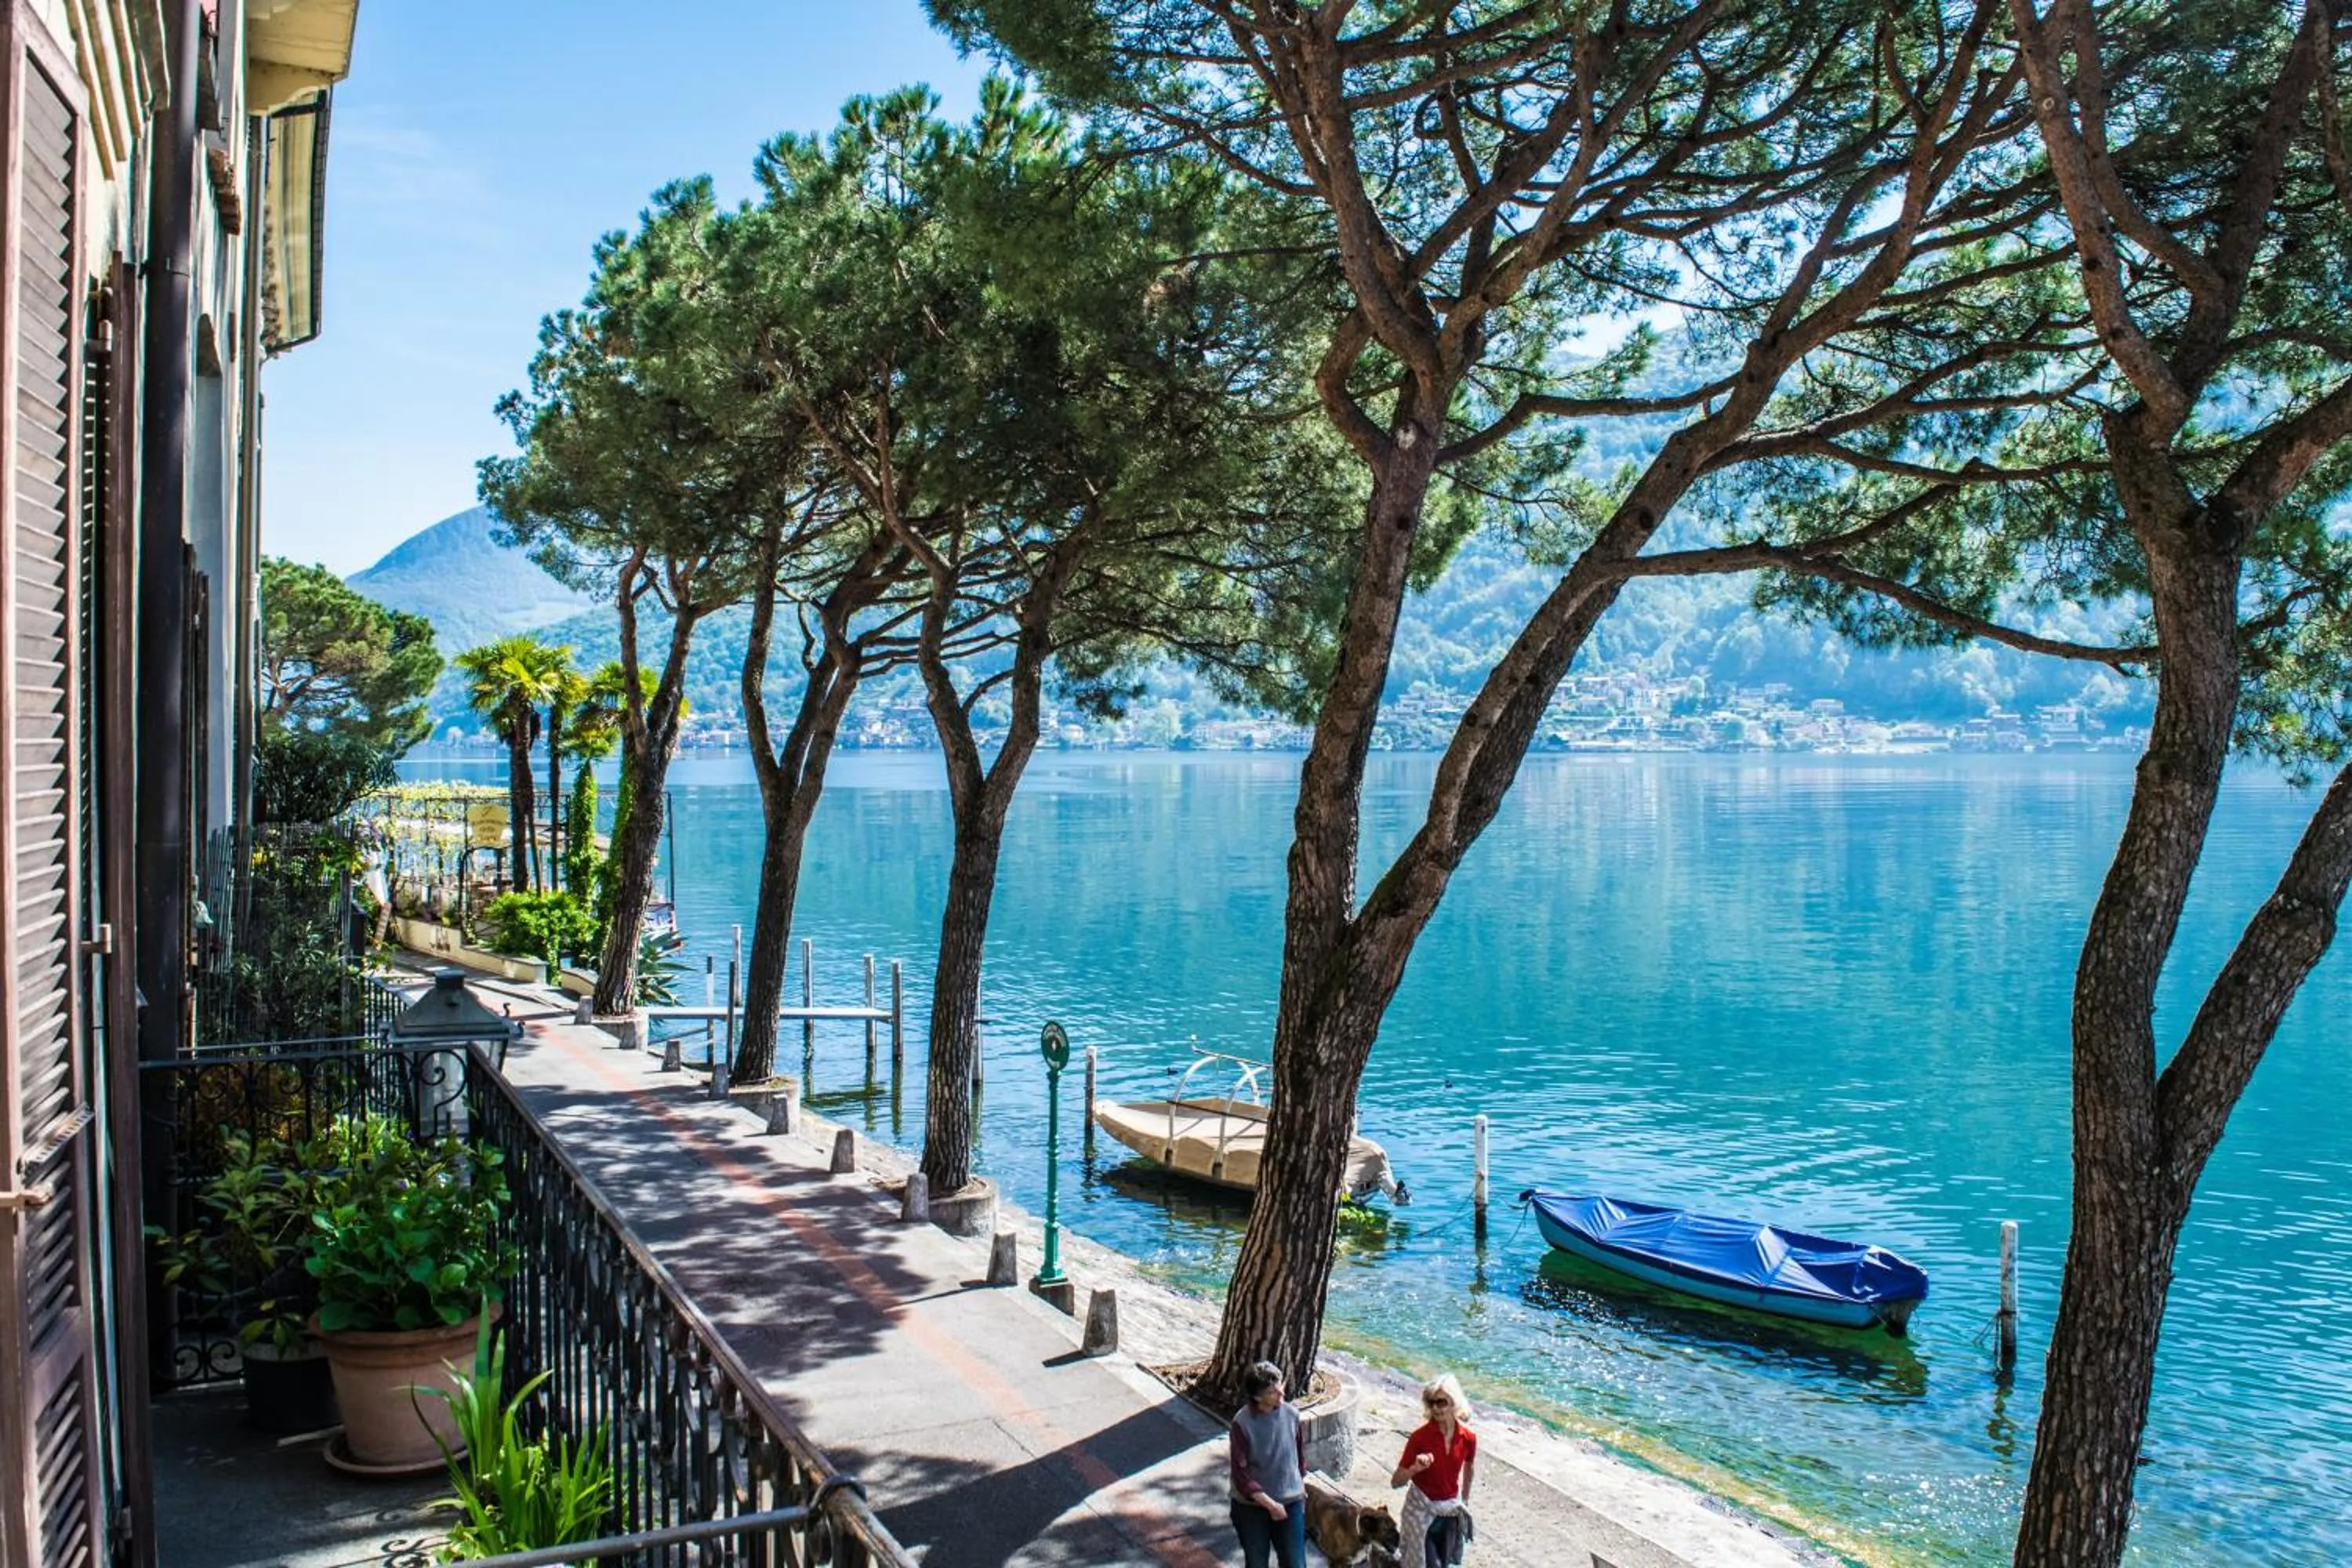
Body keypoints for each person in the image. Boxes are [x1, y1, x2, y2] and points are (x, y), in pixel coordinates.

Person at [1390, 1373, 1476, 1567]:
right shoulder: (1419, 1438)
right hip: (1420, 1511)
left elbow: (1470, 1468)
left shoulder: (1468, 1438)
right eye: (1431, 1403)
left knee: (1444, 1564)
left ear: (1454, 1403)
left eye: (1441, 1402)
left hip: (1450, 1513)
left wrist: (1465, 1499)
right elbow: (1396, 1482)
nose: (1435, 1408)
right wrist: (1414, 1469)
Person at [1227, 1359, 1308, 1568]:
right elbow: (1242, 1476)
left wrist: (1301, 1486)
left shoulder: (1292, 1415)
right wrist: (1270, 1505)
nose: (1281, 1393)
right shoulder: (1242, 1424)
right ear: (1257, 1396)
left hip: (1291, 1502)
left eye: (1280, 1385)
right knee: (1257, 1563)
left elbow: (1297, 1456)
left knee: (1296, 1563)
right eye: (1272, 1392)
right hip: (1252, 1507)